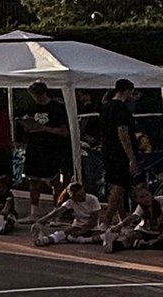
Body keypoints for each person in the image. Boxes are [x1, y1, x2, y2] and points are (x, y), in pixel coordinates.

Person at [16, 83, 69, 217]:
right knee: (33, 180)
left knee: (54, 181)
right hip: (34, 147)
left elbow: (64, 131)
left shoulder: (56, 108)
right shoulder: (31, 107)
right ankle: (34, 212)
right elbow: (26, 124)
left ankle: (55, 213)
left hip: (51, 148)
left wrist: (45, 129)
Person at [98, 80, 144, 225]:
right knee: (119, 184)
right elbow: (123, 133)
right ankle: (107, 219)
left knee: (115, 184)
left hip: (107, 148)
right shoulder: (122, 109)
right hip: (119, 151)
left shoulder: (105, 107)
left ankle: (122, 218)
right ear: (128, 91)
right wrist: (131, 157)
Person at [32, 180, 101, 246]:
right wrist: (43, 219)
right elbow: (58, 211)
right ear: (72, 197)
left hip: (93, 228)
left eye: (83, 194)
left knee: (98, 238)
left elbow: (93, 221)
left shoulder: (93, 199)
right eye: (79, 196)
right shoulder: (71, 202)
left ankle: (84, 240)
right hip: (77, 226)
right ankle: (47, 240)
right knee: (64, 233)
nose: (83, 197)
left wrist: (81, 231)